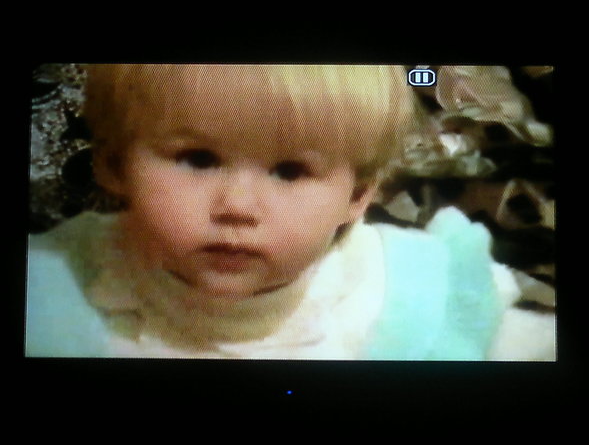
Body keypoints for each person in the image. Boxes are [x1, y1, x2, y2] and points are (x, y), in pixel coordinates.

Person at [25, 64, 555, 360]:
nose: (237, 207)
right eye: (198, 159)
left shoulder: (418, 297)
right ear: (114, 165)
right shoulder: (51, 292)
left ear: (358, 197)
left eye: (290, 171)